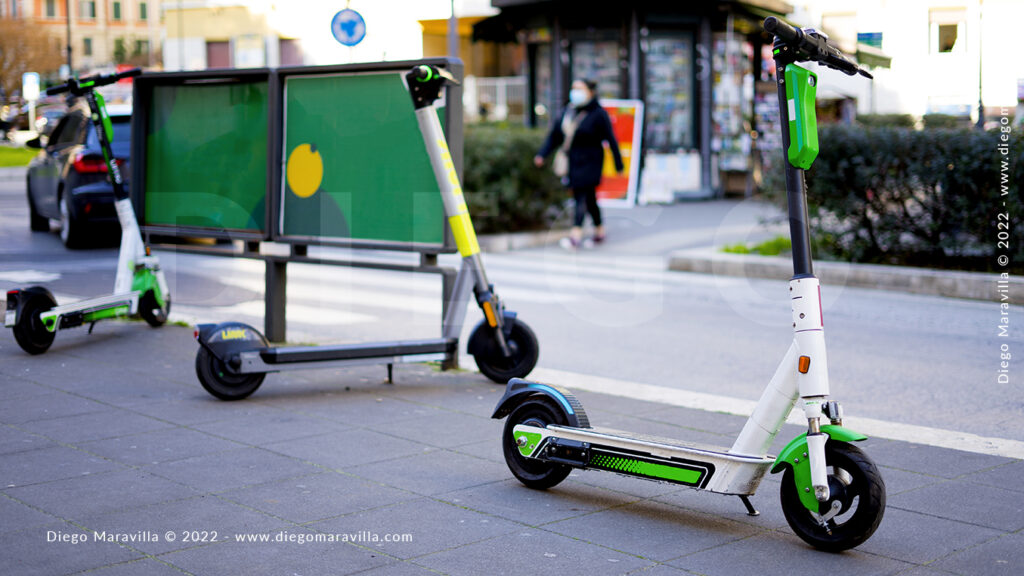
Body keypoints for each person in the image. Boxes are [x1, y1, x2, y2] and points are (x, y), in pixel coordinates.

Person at [535, 79, 624, 249]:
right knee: (589, 199)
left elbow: (611, 140)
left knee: (581, 196)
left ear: (591, 92)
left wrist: (619, 164)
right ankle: (599, 231)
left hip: (591, 161)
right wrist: (542, 155)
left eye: (580, 89)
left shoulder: (598, 113)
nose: (575, 92)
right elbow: (554, 136)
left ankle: (575, 235)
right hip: (572, 161)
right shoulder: (567, 112)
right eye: (573, 88)